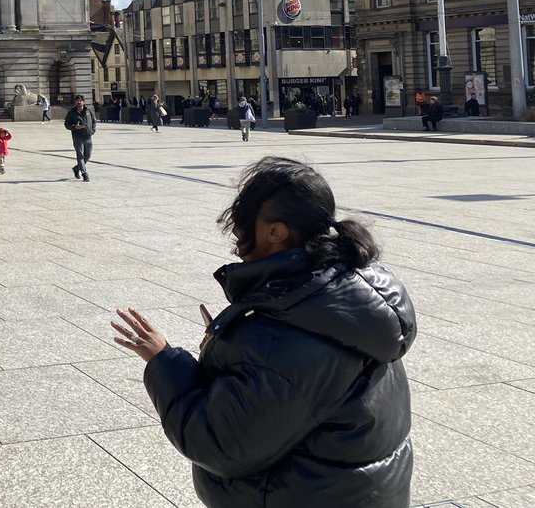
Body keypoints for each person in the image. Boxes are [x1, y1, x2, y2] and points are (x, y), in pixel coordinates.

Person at [112, 156, 415, 508]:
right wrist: (229, 352)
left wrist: (165, 360)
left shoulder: (286, 336)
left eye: (245, 219)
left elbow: (218, 443)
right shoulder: (346, 294)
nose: (237, 230)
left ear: (276, 231)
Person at [64, 93, 97, 181]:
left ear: (83, 102)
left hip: (88, 136)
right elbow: (67, 124)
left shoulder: (88, 111)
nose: (79, 102)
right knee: (80, 156)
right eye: (77, 101)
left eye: (80, 101)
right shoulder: (71, 113)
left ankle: (76, 168)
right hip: (77, 137)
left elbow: (94, 121)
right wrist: (75, 127)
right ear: (75, 102)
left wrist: (93, 130)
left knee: (88, 155)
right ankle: (84, 173)